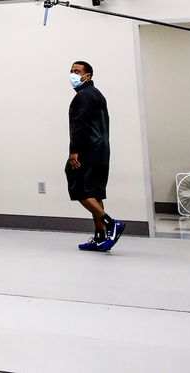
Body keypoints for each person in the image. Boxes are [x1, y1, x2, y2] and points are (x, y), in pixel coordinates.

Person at [66, 61, 124, 252]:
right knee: (94, 193)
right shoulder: (97, 94)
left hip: (87, 150)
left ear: (88, 76)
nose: (73, 74)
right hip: (101, 150)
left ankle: (111, 224)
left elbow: (81, 123)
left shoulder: (83, 96)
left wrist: (74, 150)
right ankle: (100, 238)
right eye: (71, 71)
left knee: (80, 190)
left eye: (77, 71)